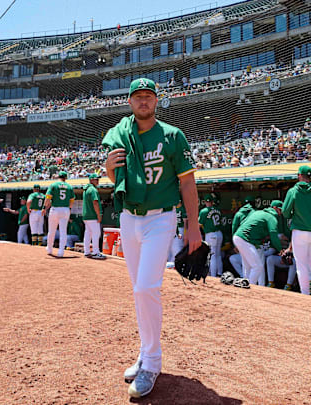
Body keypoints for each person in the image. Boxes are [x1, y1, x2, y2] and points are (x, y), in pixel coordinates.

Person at [103, 77, 200, 398]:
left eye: (149, 96)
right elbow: (117, 179)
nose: (143, 101)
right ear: (129, 102)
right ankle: (146, 353)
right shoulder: (120, 136)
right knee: (138, 290)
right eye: (138, 97)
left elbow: (187, 183)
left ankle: (153, 362)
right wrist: (108, 168)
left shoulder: (172, 135)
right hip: (129, 218)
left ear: (157, 101)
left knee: (147, 287)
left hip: (161, 217)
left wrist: (193, 225)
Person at [282, 165, 311, 295]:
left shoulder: (293, 191)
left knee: (301, 265)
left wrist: (294, 214)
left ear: (300, 176)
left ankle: (305, 294)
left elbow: (285, 213)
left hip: (299, 232)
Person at [232, 200, 286, 285]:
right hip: (245, 240)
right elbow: (273, 235)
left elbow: (243, 224)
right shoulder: (271, 217)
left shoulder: (259, 212)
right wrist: (280, 250)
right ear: (274, 208)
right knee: (258, 267)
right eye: (280, 210)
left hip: (240, 237)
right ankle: (249, 287)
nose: (280, 213)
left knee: (248, 267)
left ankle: (245, 287)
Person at [44, 171, 74, 257]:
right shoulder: (69, 186)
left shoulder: (53, 185)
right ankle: (61, 252)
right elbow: (72, 200)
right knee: (63, 231)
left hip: (55, 209)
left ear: (58, 177)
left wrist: (44, 208)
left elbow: (47, 198)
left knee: (51, 230)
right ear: (65, 178)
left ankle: (49, 249)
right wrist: (69, 209)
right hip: (65, 209)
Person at [198, 194, 223, 277]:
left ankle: (213, 276)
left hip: (211, 234)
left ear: (205, 202)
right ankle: (219, 273)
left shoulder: (204, 211)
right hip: (219, 233)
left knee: (212, 256)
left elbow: (199, 224)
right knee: (218, 255)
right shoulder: (218, 210)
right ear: (212, 201)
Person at [82, 173, 105, 259]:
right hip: (92, 215)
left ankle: (87, 251)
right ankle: (96, 252)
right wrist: (99, 215)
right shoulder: (93, 190)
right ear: (91, 180)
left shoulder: (86, 189)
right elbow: (95, 203)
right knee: (96, 233)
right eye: (96, 179)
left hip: (86, 215)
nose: (97, 181)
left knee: (88, 233)